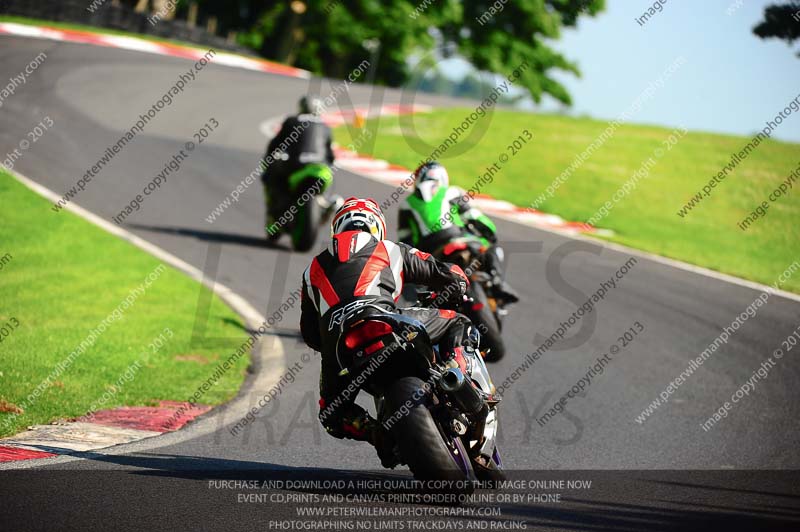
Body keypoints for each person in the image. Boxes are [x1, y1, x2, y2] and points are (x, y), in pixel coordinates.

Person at [300, 197, 474, 467]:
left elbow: (310, 334)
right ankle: (454, 372)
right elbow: (443, 273)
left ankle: (377, 434)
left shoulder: (312, 268)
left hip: (340, 345)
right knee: (457, 321)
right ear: (376, 226)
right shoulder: (389, 247)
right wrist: (460, 281)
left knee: (332, 414)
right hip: (385, 321)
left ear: (337, 228)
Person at [397, 161, 518, 303]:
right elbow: (473, 216)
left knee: (423, 291)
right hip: (456, 236)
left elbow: (405, 239)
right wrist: (490, 232)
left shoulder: (406, 204)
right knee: (492, 246)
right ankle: (497, 282)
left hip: (429, 251)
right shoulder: (452, 192)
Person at [262, 96, 336, 235]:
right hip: (320, 169)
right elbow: (331, 156)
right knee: (328, 177)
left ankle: (274, 209)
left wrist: (269, 159)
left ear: (301, 108)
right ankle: (325, 204)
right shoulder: (326, 127)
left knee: (270, 173)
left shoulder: (292, 121)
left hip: (295, 165)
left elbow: (274, 145)